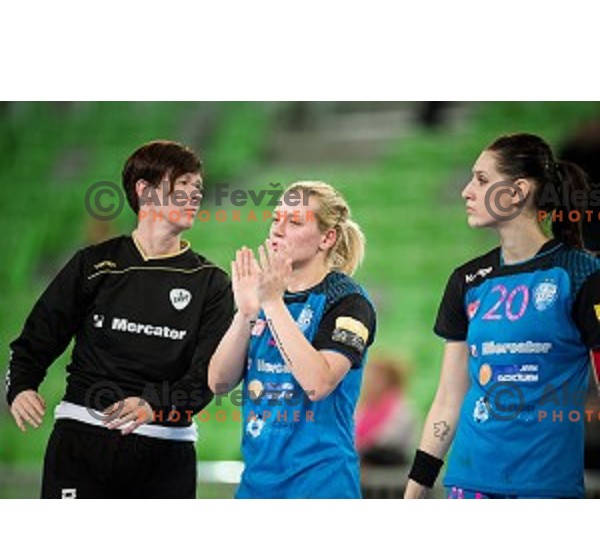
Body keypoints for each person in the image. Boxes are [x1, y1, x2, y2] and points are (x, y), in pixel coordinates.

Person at [6, 140, 234, 498]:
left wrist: (154, 404)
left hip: (166, 450)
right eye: (183, 185)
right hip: (81, 440)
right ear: (144, 190)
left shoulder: (212, 283)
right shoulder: (93, 264)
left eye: (198, 188)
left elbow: (208, 378)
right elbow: (37, 336)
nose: (194, 196)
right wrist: (21, 384)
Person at [404, 133, 600, 499]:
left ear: (518, 190)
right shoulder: (466, 280)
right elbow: (449, 396)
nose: (466, 191)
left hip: (546, 489)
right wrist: (415, 489)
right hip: (468, 484)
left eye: (481, 180)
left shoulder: (583, 275)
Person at [208, 181, 377, 498]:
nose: (278, 229)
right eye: (276, 218)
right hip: (256, 485)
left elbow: (318, 383)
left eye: (295, 221)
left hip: (319, 486)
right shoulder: (264, 297)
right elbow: (217, 383)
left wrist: (272, 303)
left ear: (327, 238)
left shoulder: (347, 301)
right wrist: (246, 313)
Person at [355, 355, 417, 466]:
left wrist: (361, 445)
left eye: (377, 378)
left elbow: (388, 440)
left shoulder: (401, 408)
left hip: (389, 468)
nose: (370, 381)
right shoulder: (364, 407)